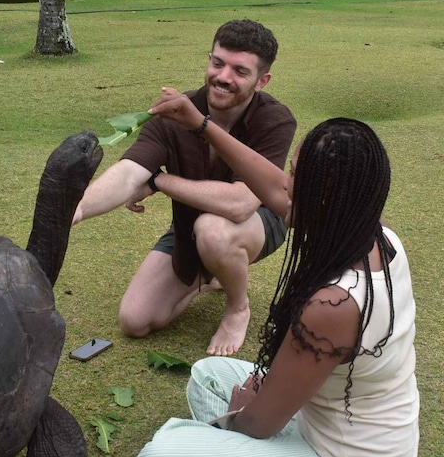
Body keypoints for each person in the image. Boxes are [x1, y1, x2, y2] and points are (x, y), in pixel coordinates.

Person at [136, 90, 420, 457]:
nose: (284, 186)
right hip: (322, 424)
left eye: (295, 177)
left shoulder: (332, 306)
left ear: (323, 195)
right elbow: (269, 186)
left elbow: (257, 424)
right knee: (207, 374)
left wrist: (238, 415)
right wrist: (201, 124)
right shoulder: (377, 235)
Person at [71, 19, 296, 356]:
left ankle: (237, 307)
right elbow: (129, 174)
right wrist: (75, 209)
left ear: (262, 81)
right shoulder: (175, 114)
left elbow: (240, 204)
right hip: (190, 226)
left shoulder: (275, 120)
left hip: (259, 223)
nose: (222, 77)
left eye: (240, 71)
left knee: (214, 231)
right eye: (217, 63)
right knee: (135, 320)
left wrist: (159, 181)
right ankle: (210, 271)